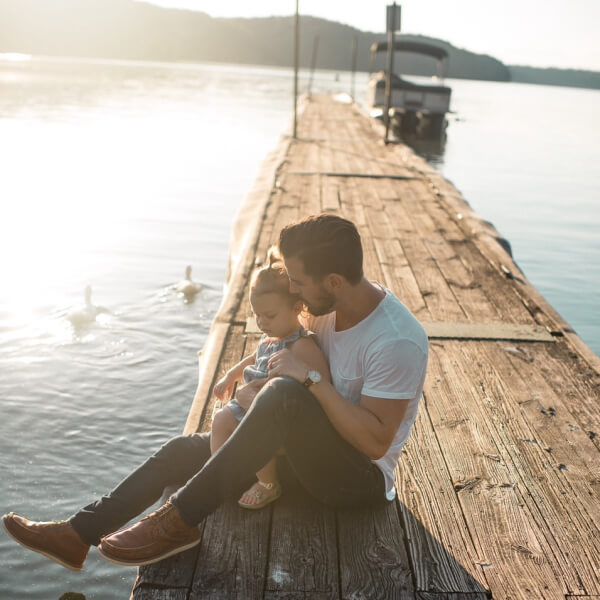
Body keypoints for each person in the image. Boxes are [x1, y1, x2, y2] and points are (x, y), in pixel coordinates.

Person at [2, 213, 428, 571]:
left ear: (333, 281)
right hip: (302, 453)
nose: (292, 289)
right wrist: (246, 375)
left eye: (298, 281)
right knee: (180, 451)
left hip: (354, 481)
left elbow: (374, 444)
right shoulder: (323, 309)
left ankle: (179, 520)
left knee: (283, 394)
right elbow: (282, 350)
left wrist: (308, 381)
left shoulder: (395, 340)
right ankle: (78, 534)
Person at [211, 249, 330, 509]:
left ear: (297, 307)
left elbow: (321, 383)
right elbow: (253, 359)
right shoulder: (270, 338)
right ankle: (220, 476)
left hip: (275, 416)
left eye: (270, 316)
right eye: (257, 315)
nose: (262, 322)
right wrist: (230, 376)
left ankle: (268, 484)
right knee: (220, 421)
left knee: (257, 435)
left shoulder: (302, 345)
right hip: (250, 401)